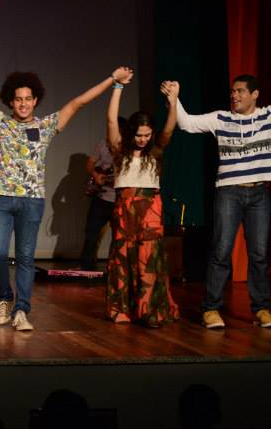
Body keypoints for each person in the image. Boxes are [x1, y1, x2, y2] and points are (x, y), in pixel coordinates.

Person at [0, 37, 130, 331]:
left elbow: (79, 102)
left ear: (36, 100)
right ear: (10, 101)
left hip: (32, 201)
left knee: (26, 257)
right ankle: (4, 297)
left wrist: (113, 80)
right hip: (0, 199)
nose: (23, 103)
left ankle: (22, 311)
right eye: (18, 99)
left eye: (28, 99)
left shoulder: (46, 126)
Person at [174, 75, 271, 329]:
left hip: (259, 194)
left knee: (259, 255)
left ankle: (261, 308)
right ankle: (211, 309)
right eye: (232, 91)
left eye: (240, 91)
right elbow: (186, 123)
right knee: (221, 252)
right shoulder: (221, 118)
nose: (234, 96)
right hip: (229, 193)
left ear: (255, 94)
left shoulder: (267, 117)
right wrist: (174, 98)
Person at [104, 71, 179, 326]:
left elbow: (169, 128)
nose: (143, 139)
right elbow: (112, 121)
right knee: (123, 257)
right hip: (125, 206)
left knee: (149, 259)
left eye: (147, 134)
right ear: (131, 133)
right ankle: (121, 309)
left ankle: (150, 310)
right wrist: (117, 87)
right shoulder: (119, 152)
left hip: (150, 208)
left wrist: (174, 101)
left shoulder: (155, 152)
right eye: (138, 134)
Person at [78, 137, 116, 271]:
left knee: (119, 237)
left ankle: (114, 270)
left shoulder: (130, 146)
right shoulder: (103, 143)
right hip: (101, 197)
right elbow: (90, 163)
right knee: (91, 233)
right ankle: (86, 268)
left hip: (120, 200)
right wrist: (95, 175)